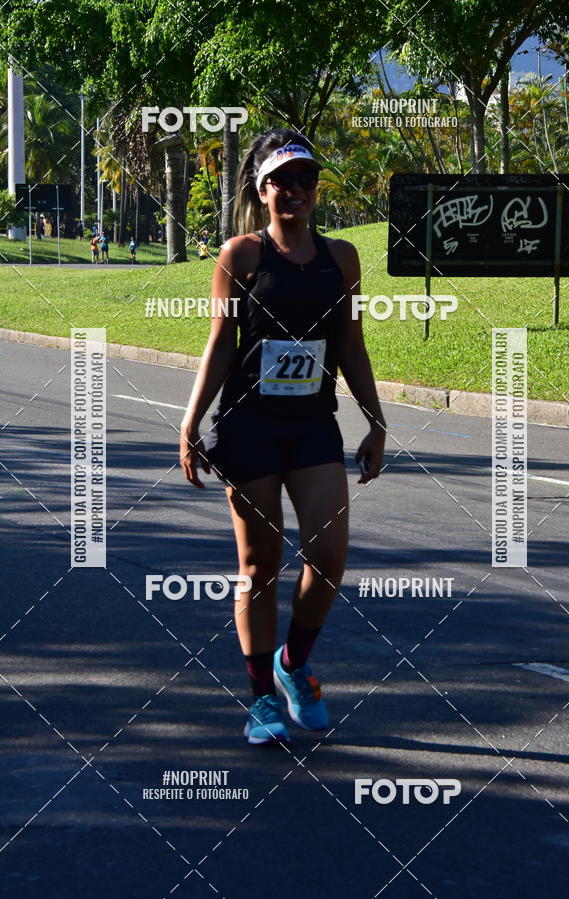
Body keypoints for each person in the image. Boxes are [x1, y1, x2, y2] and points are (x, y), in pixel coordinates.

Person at [179, 129, 386, 746]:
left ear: (316, 188)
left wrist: (376, 419)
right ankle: (262, 700)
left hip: (313, 424)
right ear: (261, 189)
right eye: (280, 180)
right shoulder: (240, 256)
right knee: (258, 565)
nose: (293, 190)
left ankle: (293, 663)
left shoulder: (342, 257)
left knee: (328, 558)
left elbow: (351, 343)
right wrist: (191, 423)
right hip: (249, 426)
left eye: (304, 179)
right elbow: (220, 345)